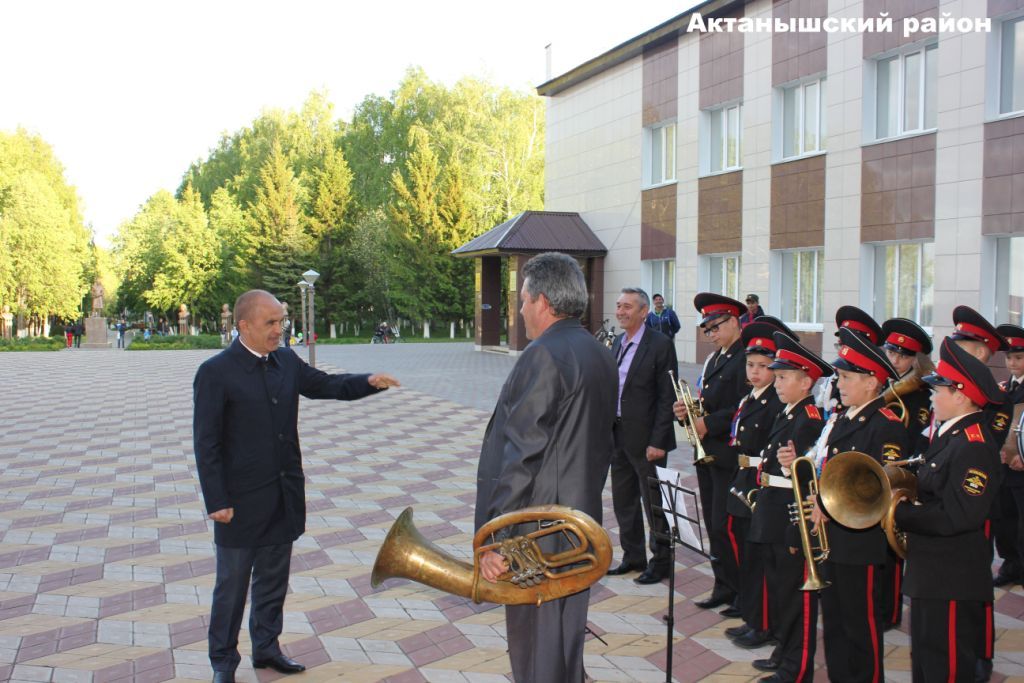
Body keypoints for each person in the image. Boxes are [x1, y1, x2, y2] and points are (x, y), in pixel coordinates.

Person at [193, 289, 400, 683]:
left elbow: (326, 385)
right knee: (231, 589)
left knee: (273, 583)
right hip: (237, 504)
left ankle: (267, 650)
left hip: (282, 496)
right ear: (244, 326)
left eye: (281, 321)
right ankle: (223, 663)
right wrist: (216, 499)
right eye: (270, 323)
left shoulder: (286, 361)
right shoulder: (216, 372)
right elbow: (207, 442)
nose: (279, 329)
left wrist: (368, 381)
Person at [475, 252, 616, 683]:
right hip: (576, 528)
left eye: (521, 301)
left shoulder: (543, 355)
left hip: (535, 535)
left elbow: (522, 457)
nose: (518, 311)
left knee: (537, 656)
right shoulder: (599, 352)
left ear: (541, 300)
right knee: (563, 648)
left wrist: (494, 538)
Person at [895, 337, 1005, 683]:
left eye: (938, 390)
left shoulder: (973, 445)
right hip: (934, 572)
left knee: (948, 667)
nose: (931, 396)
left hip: (952, 577)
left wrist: (898, 513)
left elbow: (960, 516)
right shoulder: (951, 435)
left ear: (960, 395)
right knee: (927, 661)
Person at [811, 327, 908, 683]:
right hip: (834, 540)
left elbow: (883, 488)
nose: (839, 384)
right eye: (839, 376)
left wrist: (829, 504)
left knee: (860, 625)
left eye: (847, 377)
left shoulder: (886, 425)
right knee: (834, 622)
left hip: (861, 542)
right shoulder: (843, 418)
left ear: (872, 381)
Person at [746, 331, 830, 682]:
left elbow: (808, 475)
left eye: (782, 377)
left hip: (788, 513)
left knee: (795, 597)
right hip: (773, 508)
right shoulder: (789, 411)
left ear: (806, 381)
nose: (775, 383)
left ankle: (796, 667)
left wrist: (794, 463)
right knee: (781, 589)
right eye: (776, 377)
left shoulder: (808, 418)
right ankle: (784, 653)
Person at [678, 293, 750, 611]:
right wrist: (686, 411)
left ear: (734, 321)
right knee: (711, 522)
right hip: (707, 450)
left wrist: (710, 423)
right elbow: (705, 399)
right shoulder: (716, 358)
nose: (711, 334)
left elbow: (744, 407)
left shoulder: (746, 358)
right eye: (706, 329)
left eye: (715, 327)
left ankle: (740, 590)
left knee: (726, 524)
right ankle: (723, 584)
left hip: (727, 452)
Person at [606, 287, 677, 585]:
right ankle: (632, 555)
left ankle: (660, 561)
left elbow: (667, 397)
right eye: (619, 305)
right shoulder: (618, 343)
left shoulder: (660, 345)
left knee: (654, 503)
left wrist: (658, 442)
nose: (621, 312)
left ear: (644, 311)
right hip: (618, 434)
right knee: (624, 500)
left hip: (648, 439)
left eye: (628, 307)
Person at [719, 321, 784, 644]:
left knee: (759, 559)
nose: (755, 371)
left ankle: (764, 623)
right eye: (750, 364)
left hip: (759, 481)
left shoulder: (775, 402)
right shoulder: (751, 396)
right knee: (743, 551)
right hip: (742, 477)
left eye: (763, 366)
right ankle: (751, 614)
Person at [994, 323, 1024, 589]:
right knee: (1004, 519)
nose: (1013, 363)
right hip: (1004, 466)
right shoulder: (1005, 389)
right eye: (1009, 358)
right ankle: (1010, 564)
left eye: (1019, 358)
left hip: (1022, 468)